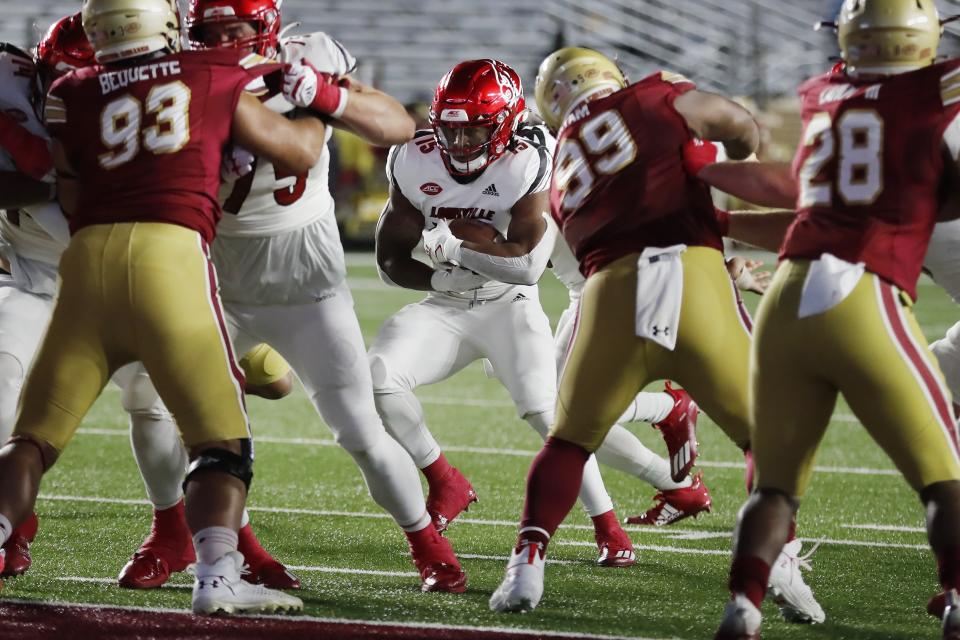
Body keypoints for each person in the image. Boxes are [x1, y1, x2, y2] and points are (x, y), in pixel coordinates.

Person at [0, 0, 326, 615]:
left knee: (32, 440)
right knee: (221, 443)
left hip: (85, 266)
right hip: (164, 257)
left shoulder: (70, 90)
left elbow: (65, 184)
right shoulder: (201, 71)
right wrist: (324, 106)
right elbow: (295, 149)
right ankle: (216, 576)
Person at [488, 47, 821, 619]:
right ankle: (770, 571)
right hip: (691, 283)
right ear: (608, 75)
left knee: (568, 441)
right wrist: (740, 162)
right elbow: (737, 123)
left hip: (610, 296)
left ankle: (525, 565)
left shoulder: (560, 164)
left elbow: (625, 215)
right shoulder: (650, 95)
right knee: (767, 440)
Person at [683, 1, 960, 637]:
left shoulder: (823, 96)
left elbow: (791, 190)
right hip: (862, 293)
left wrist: (702, 186)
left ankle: (744, 606)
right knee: (943, 477)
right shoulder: (936, 95)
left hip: (787, 297)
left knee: (775, 488)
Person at [184, 0, 468, 593]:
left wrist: (325, 94)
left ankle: (426, 542)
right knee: (168, 420)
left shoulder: (298, 59)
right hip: (217, 278)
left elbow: (395, 125)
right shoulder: (180, 73)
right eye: (212, 31)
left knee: (360, 431)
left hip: (305, 279)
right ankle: (236, 551)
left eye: (235, 28)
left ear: (264, 26)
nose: (224, 40)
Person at [372, 58, 644, 566]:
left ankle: (607, 524)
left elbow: (523, 268)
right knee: (379, 378)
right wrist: (443, 276)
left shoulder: (530, 157)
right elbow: (390, 261)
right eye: (451, 128)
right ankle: (445, 480)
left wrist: (448, 247)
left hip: (508, 305)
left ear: (506, 123)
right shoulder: (412, 157)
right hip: (447, 303)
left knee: (549, 413)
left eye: (476, 127)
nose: (460, 142)